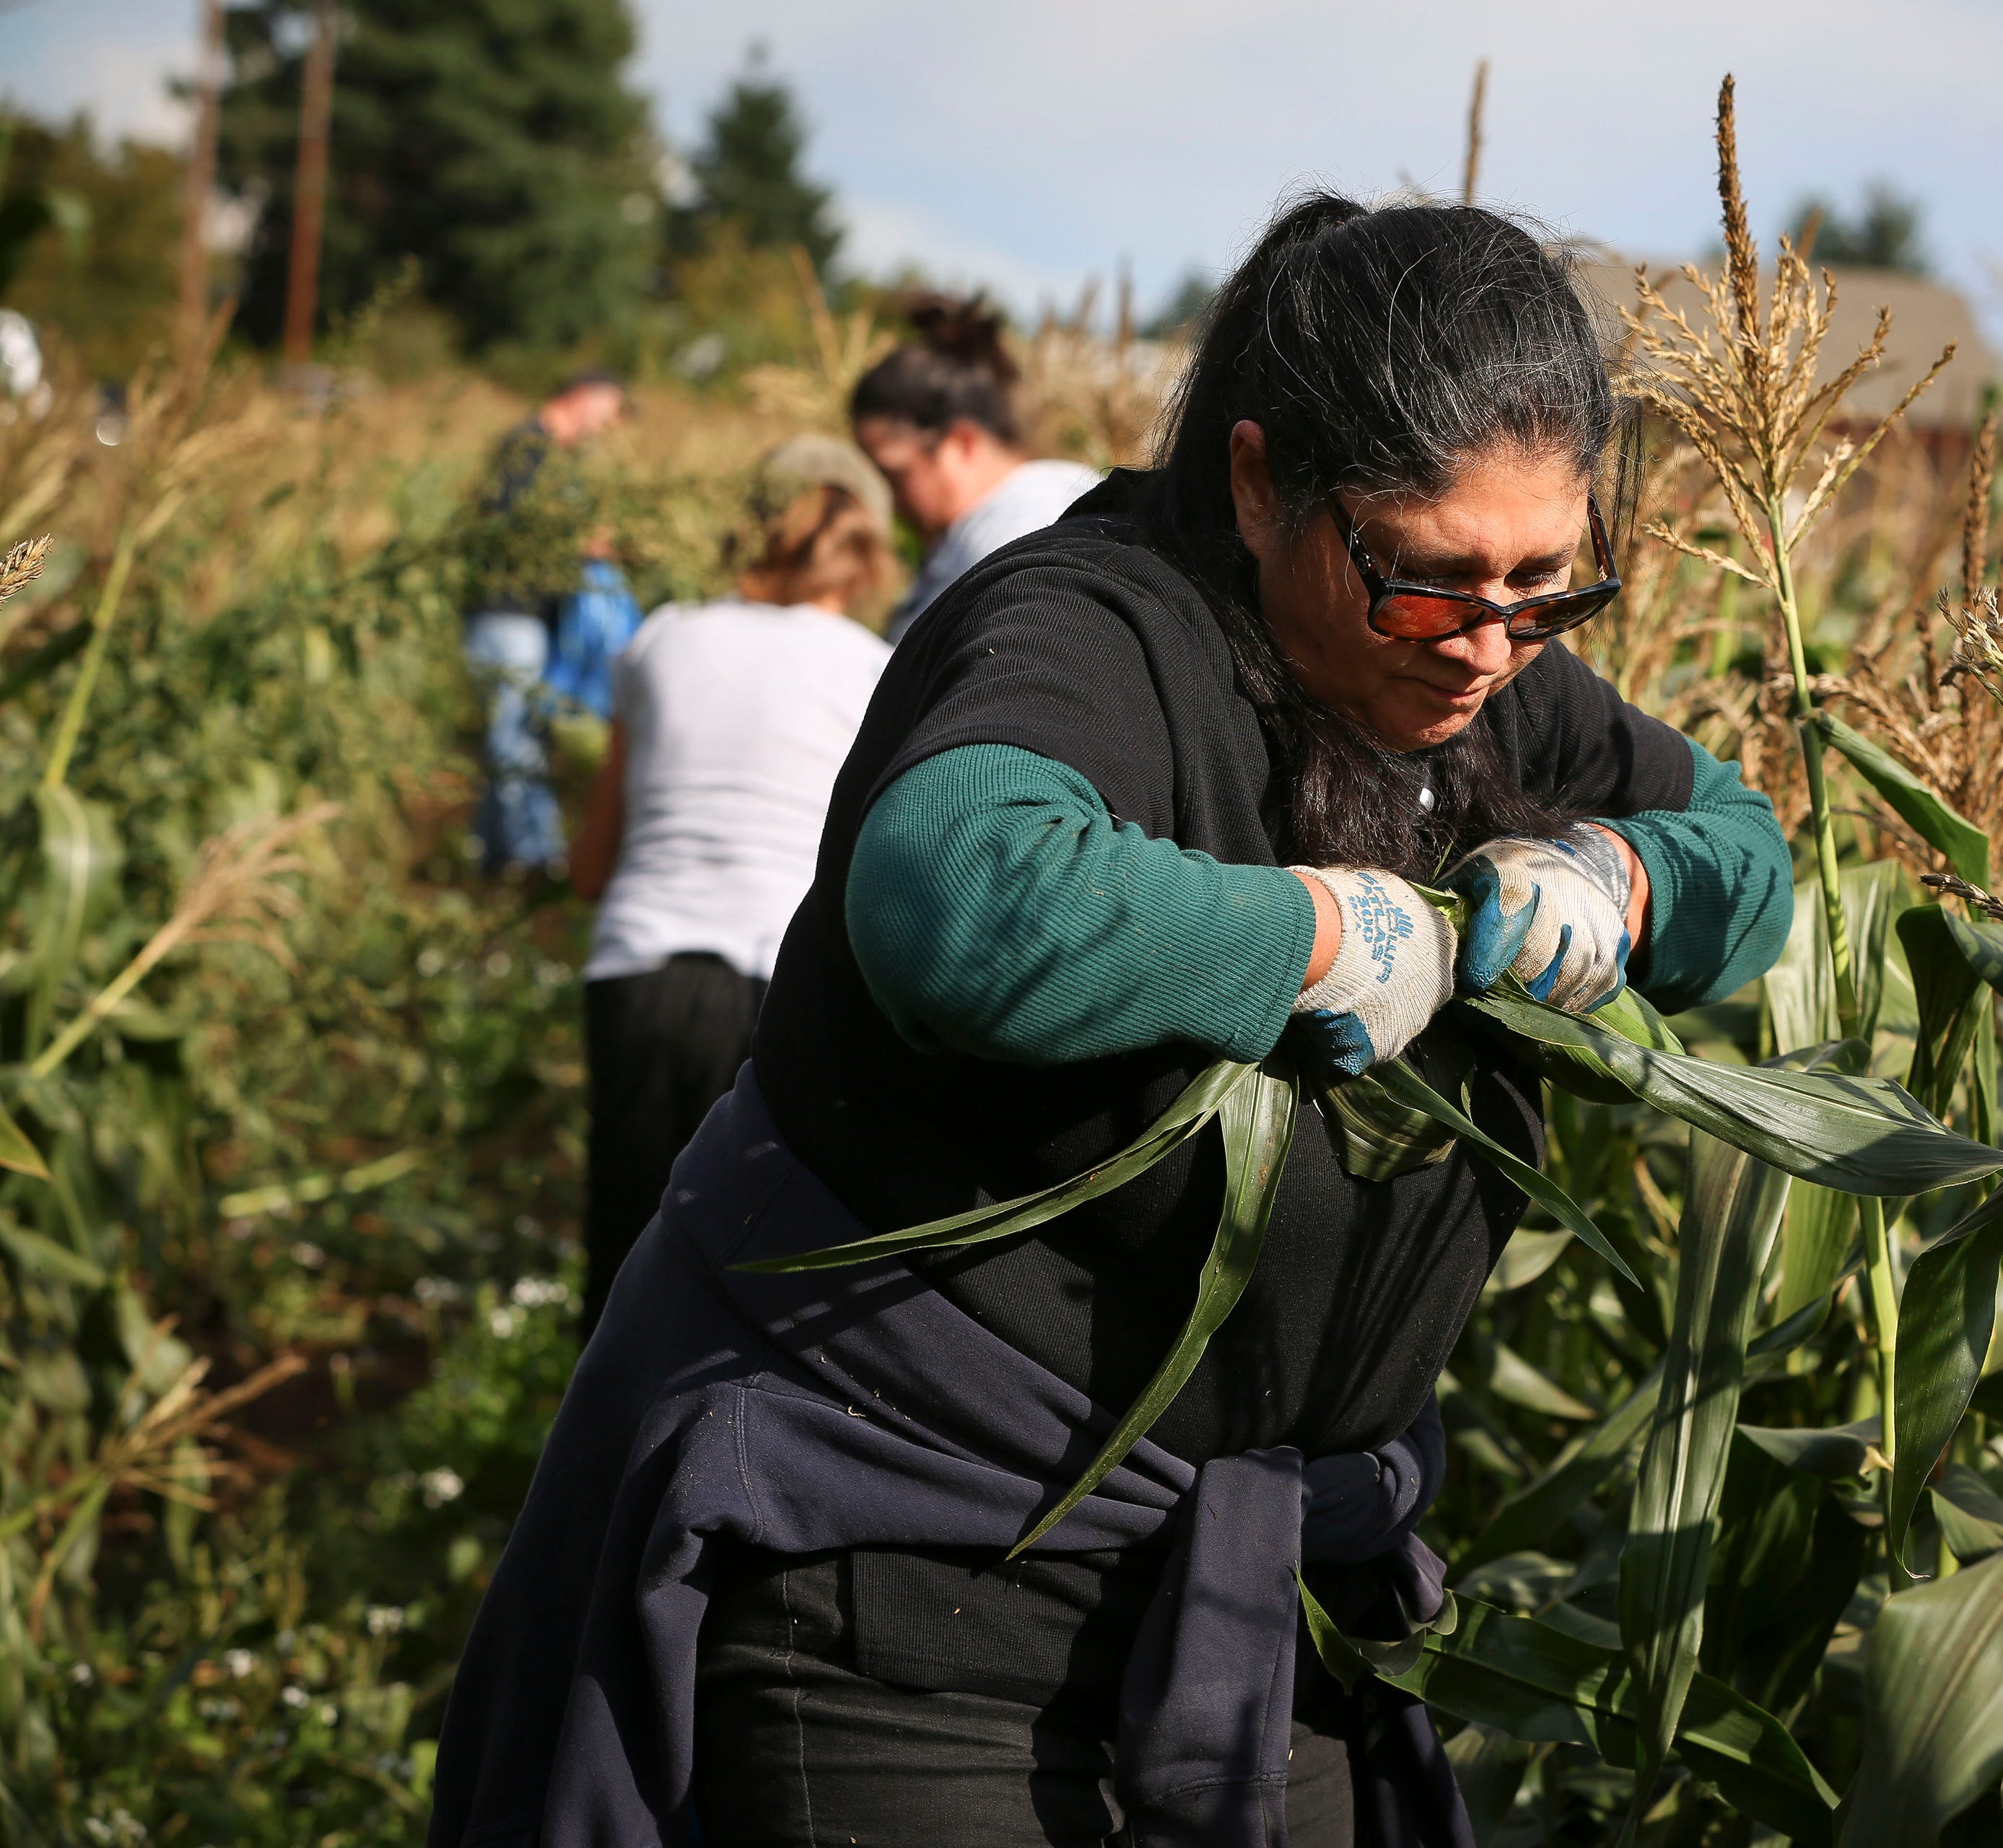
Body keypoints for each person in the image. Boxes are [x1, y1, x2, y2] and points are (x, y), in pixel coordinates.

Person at [430, 197, 1793, 1848]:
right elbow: (958, 888)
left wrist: (1620, 880)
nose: (1489, 647)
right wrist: (1306, 931)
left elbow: (1746, 851)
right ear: (1253, 482)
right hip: (915, 1595)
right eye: (1425, 581)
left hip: (1265, 1604)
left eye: (1541, 586)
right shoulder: (1096, 626)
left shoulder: (1480, 668)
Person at [565, 435, 896, 1333]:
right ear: (866, 551)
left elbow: (589, 865)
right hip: (773, 981)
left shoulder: (661, 637)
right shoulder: (877, 671)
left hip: (635, 971)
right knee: (746, 1281)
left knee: (624, 1268)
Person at [461, 371, 637, 877]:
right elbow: (509, 527)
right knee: (513, 741)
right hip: (505, 616)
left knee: (517, 740)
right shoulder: (527, 448)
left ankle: (496, 854)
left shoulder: (553, 453)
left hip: (527, 620)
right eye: (608, 413)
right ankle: (525, 858)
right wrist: (584, 544)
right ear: (586, 397)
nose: (606, 428)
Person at [850, 293, 1100, 645]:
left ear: (961, 444)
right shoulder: (983, 532)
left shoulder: (1023, 535)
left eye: (895, 475)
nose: (890, 501)